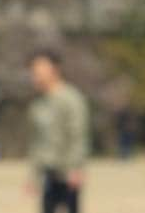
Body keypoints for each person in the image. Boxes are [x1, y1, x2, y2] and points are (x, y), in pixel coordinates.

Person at [27, 48, 90, 213]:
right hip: (48, 170)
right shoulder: (38, 103)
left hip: (67, 170)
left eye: (40, 71)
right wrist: (33, 176)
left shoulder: (71, 99)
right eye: (33, 72)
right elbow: (36, 141)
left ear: (55, 70)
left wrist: (76, 167)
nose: (36, 76)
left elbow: (78, 135)